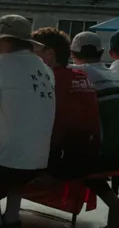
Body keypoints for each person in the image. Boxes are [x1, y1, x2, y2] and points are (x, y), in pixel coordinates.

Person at [0, 15, 56, 228]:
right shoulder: (46, 69)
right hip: (39, 163)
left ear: (3, 41)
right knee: (10, 153)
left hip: (6, 166)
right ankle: (12, 216)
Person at [70, 30, 119, 228]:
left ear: (73, 53)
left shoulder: (78, 73)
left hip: (105, 156)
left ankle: (115, 206)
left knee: (70, 158)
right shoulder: (114, 74)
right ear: (101, 53)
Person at [32, 27, 100, 177]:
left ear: (49, 55)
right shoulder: (81, 76)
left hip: (60, 160)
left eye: (34, 53)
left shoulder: (49, 80)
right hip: (90, 154)